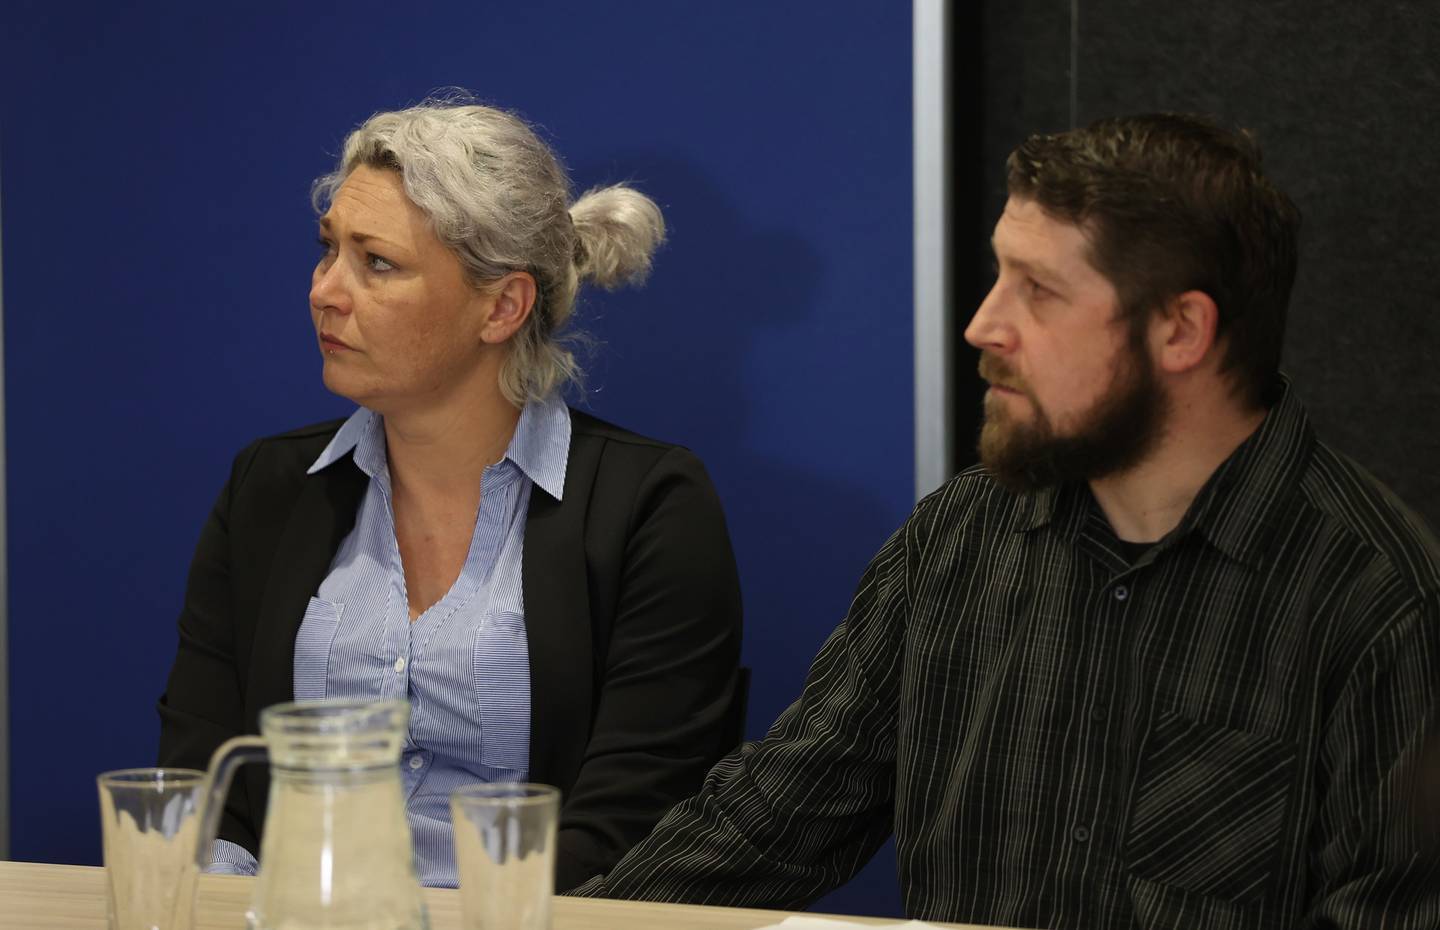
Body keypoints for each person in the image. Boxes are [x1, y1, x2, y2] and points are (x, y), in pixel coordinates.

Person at [569, 114, 1440, 927]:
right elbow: (777, 816)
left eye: (1040, 291)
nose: (984, 324)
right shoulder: (961, 535)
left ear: (1181, 330)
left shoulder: (1379, 604)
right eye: (998, 274)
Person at [155, 96, 743, 891]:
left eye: (378, 263)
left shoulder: (650, 506)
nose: (325, 290)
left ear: (501, 306)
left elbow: (633, 824)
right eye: (328, 251)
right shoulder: (270, 486)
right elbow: (205, 766)